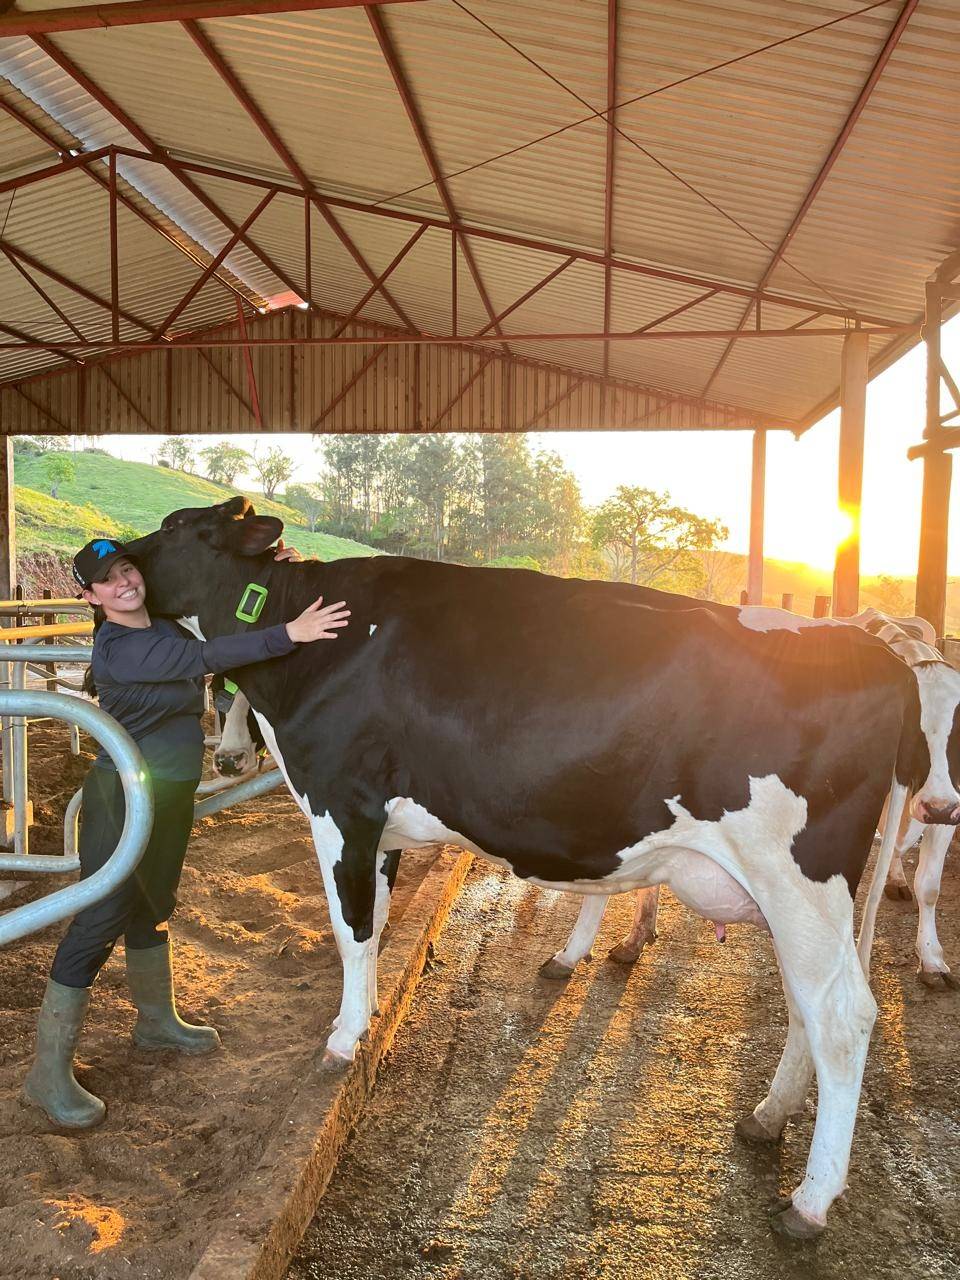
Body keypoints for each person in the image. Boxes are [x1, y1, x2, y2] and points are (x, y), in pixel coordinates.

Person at [24, 536, 350, 1129]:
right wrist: (291, 634)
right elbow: (207, 658)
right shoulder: (118, 648)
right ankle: (46, 1075)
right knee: (99, 917)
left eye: (127, 570)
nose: (124, 583)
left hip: (167, 795)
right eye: (109, 580)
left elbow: (225, 619)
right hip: (121, 801)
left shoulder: (168, 627)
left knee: (152, 906)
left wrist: (269, 574)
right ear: (91, 595)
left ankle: (156, 1022)